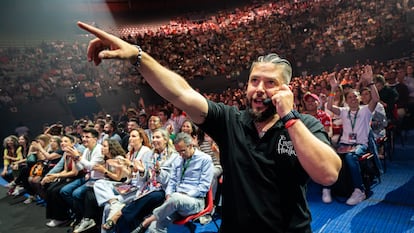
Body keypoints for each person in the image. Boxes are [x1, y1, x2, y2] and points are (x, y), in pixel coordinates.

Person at [77, 21, 341, 232]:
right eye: (254, 81)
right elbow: (181, 93)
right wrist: (138, 55)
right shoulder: (231, 121)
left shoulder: (304, 125)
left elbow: (328, 174)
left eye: (270, 83)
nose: (259, 89)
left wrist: (289, 117)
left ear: (286, 89)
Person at [131, 132, 214, 233]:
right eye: (178, 151)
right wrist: (168, 194)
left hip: (194, 201)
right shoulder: (178, 159)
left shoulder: (205, 159)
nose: (181, 154)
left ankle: (147, 221)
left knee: (176, 198)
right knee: (154, 227)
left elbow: (204, 187)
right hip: (174, 202)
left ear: (191, 145)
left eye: (183, 151)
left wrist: (183, 195)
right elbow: (172, 181)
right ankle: (150, 221)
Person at [326, 65, 379, 205]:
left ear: (359, 98)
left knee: (350, 157)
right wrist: (332, 89)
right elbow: (329, 107)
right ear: (347, 100)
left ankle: (359, 190)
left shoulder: (365, 110)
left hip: (360, 144)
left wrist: (370, 82)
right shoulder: (344, 111)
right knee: (330, 155)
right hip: (345, 144)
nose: (353, 99)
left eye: (355, 96)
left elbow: (375, 99)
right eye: (349, 97)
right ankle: (331, 186)